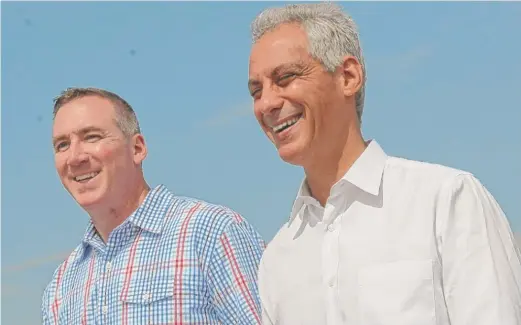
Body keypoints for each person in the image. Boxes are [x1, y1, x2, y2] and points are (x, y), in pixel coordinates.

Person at [247, 3, 521, 325]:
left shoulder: (446, 202)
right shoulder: (277, 260)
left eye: (286, 77)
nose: (266, 103)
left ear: (348, 77)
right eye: (256, 91)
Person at [42, 87, 265, 324]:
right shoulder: (61, 287)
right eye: (62, 145)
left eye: (92, 137)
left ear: (137, 148)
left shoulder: (211, 233)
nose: (75, 157)